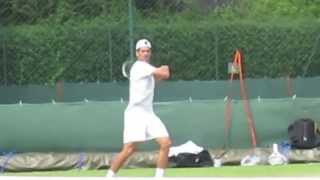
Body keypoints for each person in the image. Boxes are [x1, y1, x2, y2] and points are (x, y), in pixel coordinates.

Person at [107, 39, 172, 178]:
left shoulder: (147, 69)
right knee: (129, 149)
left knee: (165, 143)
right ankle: (110, 176)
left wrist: (161, 72)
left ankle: (159, 177)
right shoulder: (140, 66)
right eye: (143, 51)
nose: (146, 53)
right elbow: (165, 74)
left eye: (148, 51)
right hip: (135, 114)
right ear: (137, 53)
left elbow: (158, 79)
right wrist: (164, 68)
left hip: (149, 114)